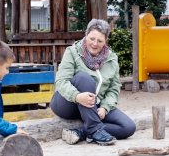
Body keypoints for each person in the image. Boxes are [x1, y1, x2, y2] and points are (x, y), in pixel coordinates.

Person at [51, 18, 136, 146]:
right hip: (67, 103)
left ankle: (82, 132)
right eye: (92, 39)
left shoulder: (112, 59)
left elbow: (114, 88)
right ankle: (95, 130)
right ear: (86, 35)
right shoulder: (72, 52)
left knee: (128, 127)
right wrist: (77, 96)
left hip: (94, 105)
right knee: (84, 78)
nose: (95, 44)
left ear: (105, 41)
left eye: (100, 40)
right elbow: (61, 81)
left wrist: (105, 108)